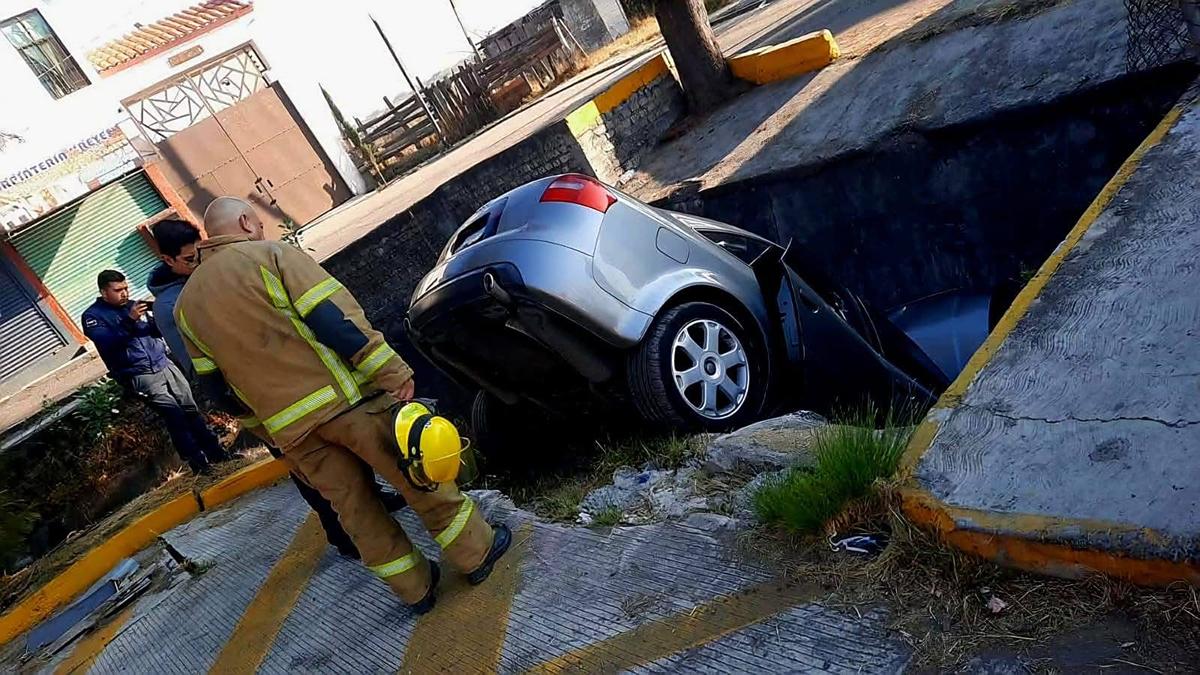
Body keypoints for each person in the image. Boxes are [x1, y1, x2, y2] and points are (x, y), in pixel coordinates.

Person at [176, 197, 510, 613]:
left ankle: (415, 589)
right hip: (351, 404)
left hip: (296, 435)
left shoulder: (186, 307)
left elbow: (216, 389)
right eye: (257, 222)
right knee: (419, 479)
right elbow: (335, 320)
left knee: (356, 512)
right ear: (245, 221)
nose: (260, 229)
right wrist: (390, 370)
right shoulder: (269, 256)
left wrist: (269, 432)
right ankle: (476, 552)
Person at [146, 218, 405, 559]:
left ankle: (374, 506)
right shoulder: (173, 308)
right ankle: (341, 534)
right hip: (265, 405)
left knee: (344, 469)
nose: (199, 262)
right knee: (315, 479)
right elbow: (207, 372)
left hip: (289, 391)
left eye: (200, 252)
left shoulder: (214, 276)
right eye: (189, 259)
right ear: (169, 261)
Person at [82, 270, 227, 474]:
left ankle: (217, 453)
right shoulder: (93, 317)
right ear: (104, 292)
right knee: (174, 415)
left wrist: (157, 312)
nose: (124, 293)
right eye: (118, 290)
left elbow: (156, 330)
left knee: (190, 410)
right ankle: (198, 462)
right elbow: (108, 343)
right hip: (139, 373)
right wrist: (130, 321)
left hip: (164, 364)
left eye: (126, 288)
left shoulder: (134, 306)